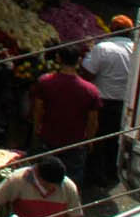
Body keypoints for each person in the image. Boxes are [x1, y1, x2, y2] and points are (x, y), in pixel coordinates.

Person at [32, 45, 101, 182]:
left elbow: (38, 110)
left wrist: (36, 130)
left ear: (58, 58)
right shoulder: (91, 90)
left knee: (43, 179)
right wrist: (89, 140)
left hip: (48, 137)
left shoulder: (45, 82)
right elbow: (92, 121)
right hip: (75, 142)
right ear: (79, 61)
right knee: (71, 181)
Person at [81, 15, 136, 189]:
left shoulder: (103, 48)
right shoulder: (136, 49)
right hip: (123, 104)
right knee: (114, 140)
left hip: (101, 101)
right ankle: (112, 173)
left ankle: (95, 175)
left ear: (111, 29)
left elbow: (88, 72)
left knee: (97, 138)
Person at [0, 154, 82, 217]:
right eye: (47, 185)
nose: (51, 189)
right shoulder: (17, 179)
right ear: (37, 174)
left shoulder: (68, 187)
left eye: (55, 186)